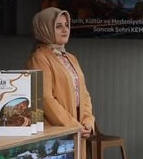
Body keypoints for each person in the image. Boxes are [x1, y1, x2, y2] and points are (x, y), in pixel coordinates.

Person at [26, 8, 95, 136]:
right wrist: (73, 126)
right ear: (45, 29)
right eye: (58, 26)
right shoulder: (39, 57)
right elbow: (45, 99)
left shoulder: (70, 57)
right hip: (57, 130)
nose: (65, 30)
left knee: (79, 156)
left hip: (78, 127)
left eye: (67, 25)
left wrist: (87, 120)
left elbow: (84, 94)